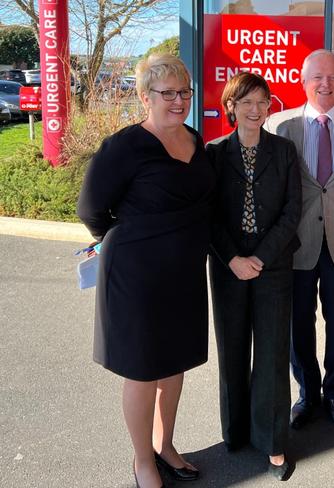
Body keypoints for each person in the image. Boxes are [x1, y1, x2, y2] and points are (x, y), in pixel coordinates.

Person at [77, 54, 214, 488]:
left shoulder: (195, 139)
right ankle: (142, 461)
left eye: (185, 93)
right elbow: (91, 210)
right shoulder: (124, 146)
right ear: (143, 97)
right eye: (167, 93)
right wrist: (135, 240)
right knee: (142, 369)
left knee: (174, 365)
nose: (178, 101)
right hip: (136, 275)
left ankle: (166, 445)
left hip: (185, 273)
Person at [266, 49, 334, 432]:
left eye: (332, 77)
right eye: (317, 77)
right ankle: (307, 393)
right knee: (299, 322)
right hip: (295, 243)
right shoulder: (280, 125)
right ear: (302, 81)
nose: (325, 84)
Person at [206, 72, 302, 481]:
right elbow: (207, 212)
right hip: (228, 267)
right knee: (232, 351)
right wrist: (233, 258)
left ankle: (274, 442)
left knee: (272, 354)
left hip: (273, 266)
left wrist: (259, 258)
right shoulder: (212, 153)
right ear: (231, 106)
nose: (255, 109)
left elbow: (292, 210)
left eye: (262, 101)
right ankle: (237, 432)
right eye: (246, 101)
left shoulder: (283, 150)